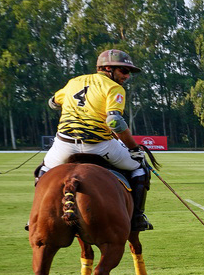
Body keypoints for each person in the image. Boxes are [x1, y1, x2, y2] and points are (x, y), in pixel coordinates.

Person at [42, 49, 153, 231]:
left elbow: (52, 102)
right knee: (139, 168)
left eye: (129, 73)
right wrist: (133, 148)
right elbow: (114, 121)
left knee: (43, 170)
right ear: (108, 68)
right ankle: (137, 218)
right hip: (99, 145)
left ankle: (36, 217)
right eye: (124, 71)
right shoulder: (114, 88)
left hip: (65, 145)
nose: (127, 76)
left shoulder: (73, 82)